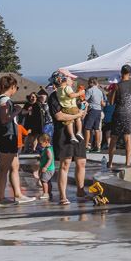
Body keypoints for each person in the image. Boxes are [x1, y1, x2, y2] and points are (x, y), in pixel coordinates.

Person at [48, 70, 90, 204]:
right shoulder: (54, 97)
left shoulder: (73, 95)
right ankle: (62, 196)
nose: (72, 81)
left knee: (81, 162)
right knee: (65, 164)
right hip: (62, 133)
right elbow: (59, 116)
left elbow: (81, 114)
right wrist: (77, 115)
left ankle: (80, 191)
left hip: (78, 133)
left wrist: (84, 110)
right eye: (70, 79)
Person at [0, 75, 33, 206]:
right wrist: (17, 111)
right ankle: (1, 198)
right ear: (12, 87)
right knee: (4, 168)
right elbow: (4, 119)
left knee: (15, 166)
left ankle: (18, 194)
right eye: (16, 87)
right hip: (7, 137)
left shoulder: (2, 99)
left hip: (9, 137)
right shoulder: (4, 100)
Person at [108, 65, 131, 172]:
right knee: (128, 138)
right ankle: (128, 162)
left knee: (114, 138)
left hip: (119, 112)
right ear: (130, 73)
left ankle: (110, 162)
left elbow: (111, 102)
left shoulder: (117, 85)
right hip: (130, 113)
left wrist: (112, 91)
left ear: (121, 72)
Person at [53, 69, 86, 145]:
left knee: (69, 123)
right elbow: (71, 95)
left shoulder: (58, 90)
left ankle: (72, 136)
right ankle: (79, 132)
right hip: (73, 107)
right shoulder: (67, 88)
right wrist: (80, 93)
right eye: (70, 79)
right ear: (65, 80)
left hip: (65, 109)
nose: (72, 81)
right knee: (78, 119)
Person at [83, 78, 106, 151]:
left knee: (87, 128)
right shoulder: (100, 91)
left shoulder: (90, 90)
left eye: (88, 83)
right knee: (97, 129)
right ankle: (97, 146)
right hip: (99, 110)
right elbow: (102, 103)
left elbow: (84, 100)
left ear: (91, 83)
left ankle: (86, 146)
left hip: (92, 110)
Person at [35, 133, 55, 199]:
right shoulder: (48, 148)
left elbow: (50, 159)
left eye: (41, 143)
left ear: (46, 142)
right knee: (48, 181)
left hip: (48, 168)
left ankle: (45, 193)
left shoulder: (48, 150)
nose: (40, 145)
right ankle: (49, 192)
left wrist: (45, 167)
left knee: (44, 181)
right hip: (50, 168)